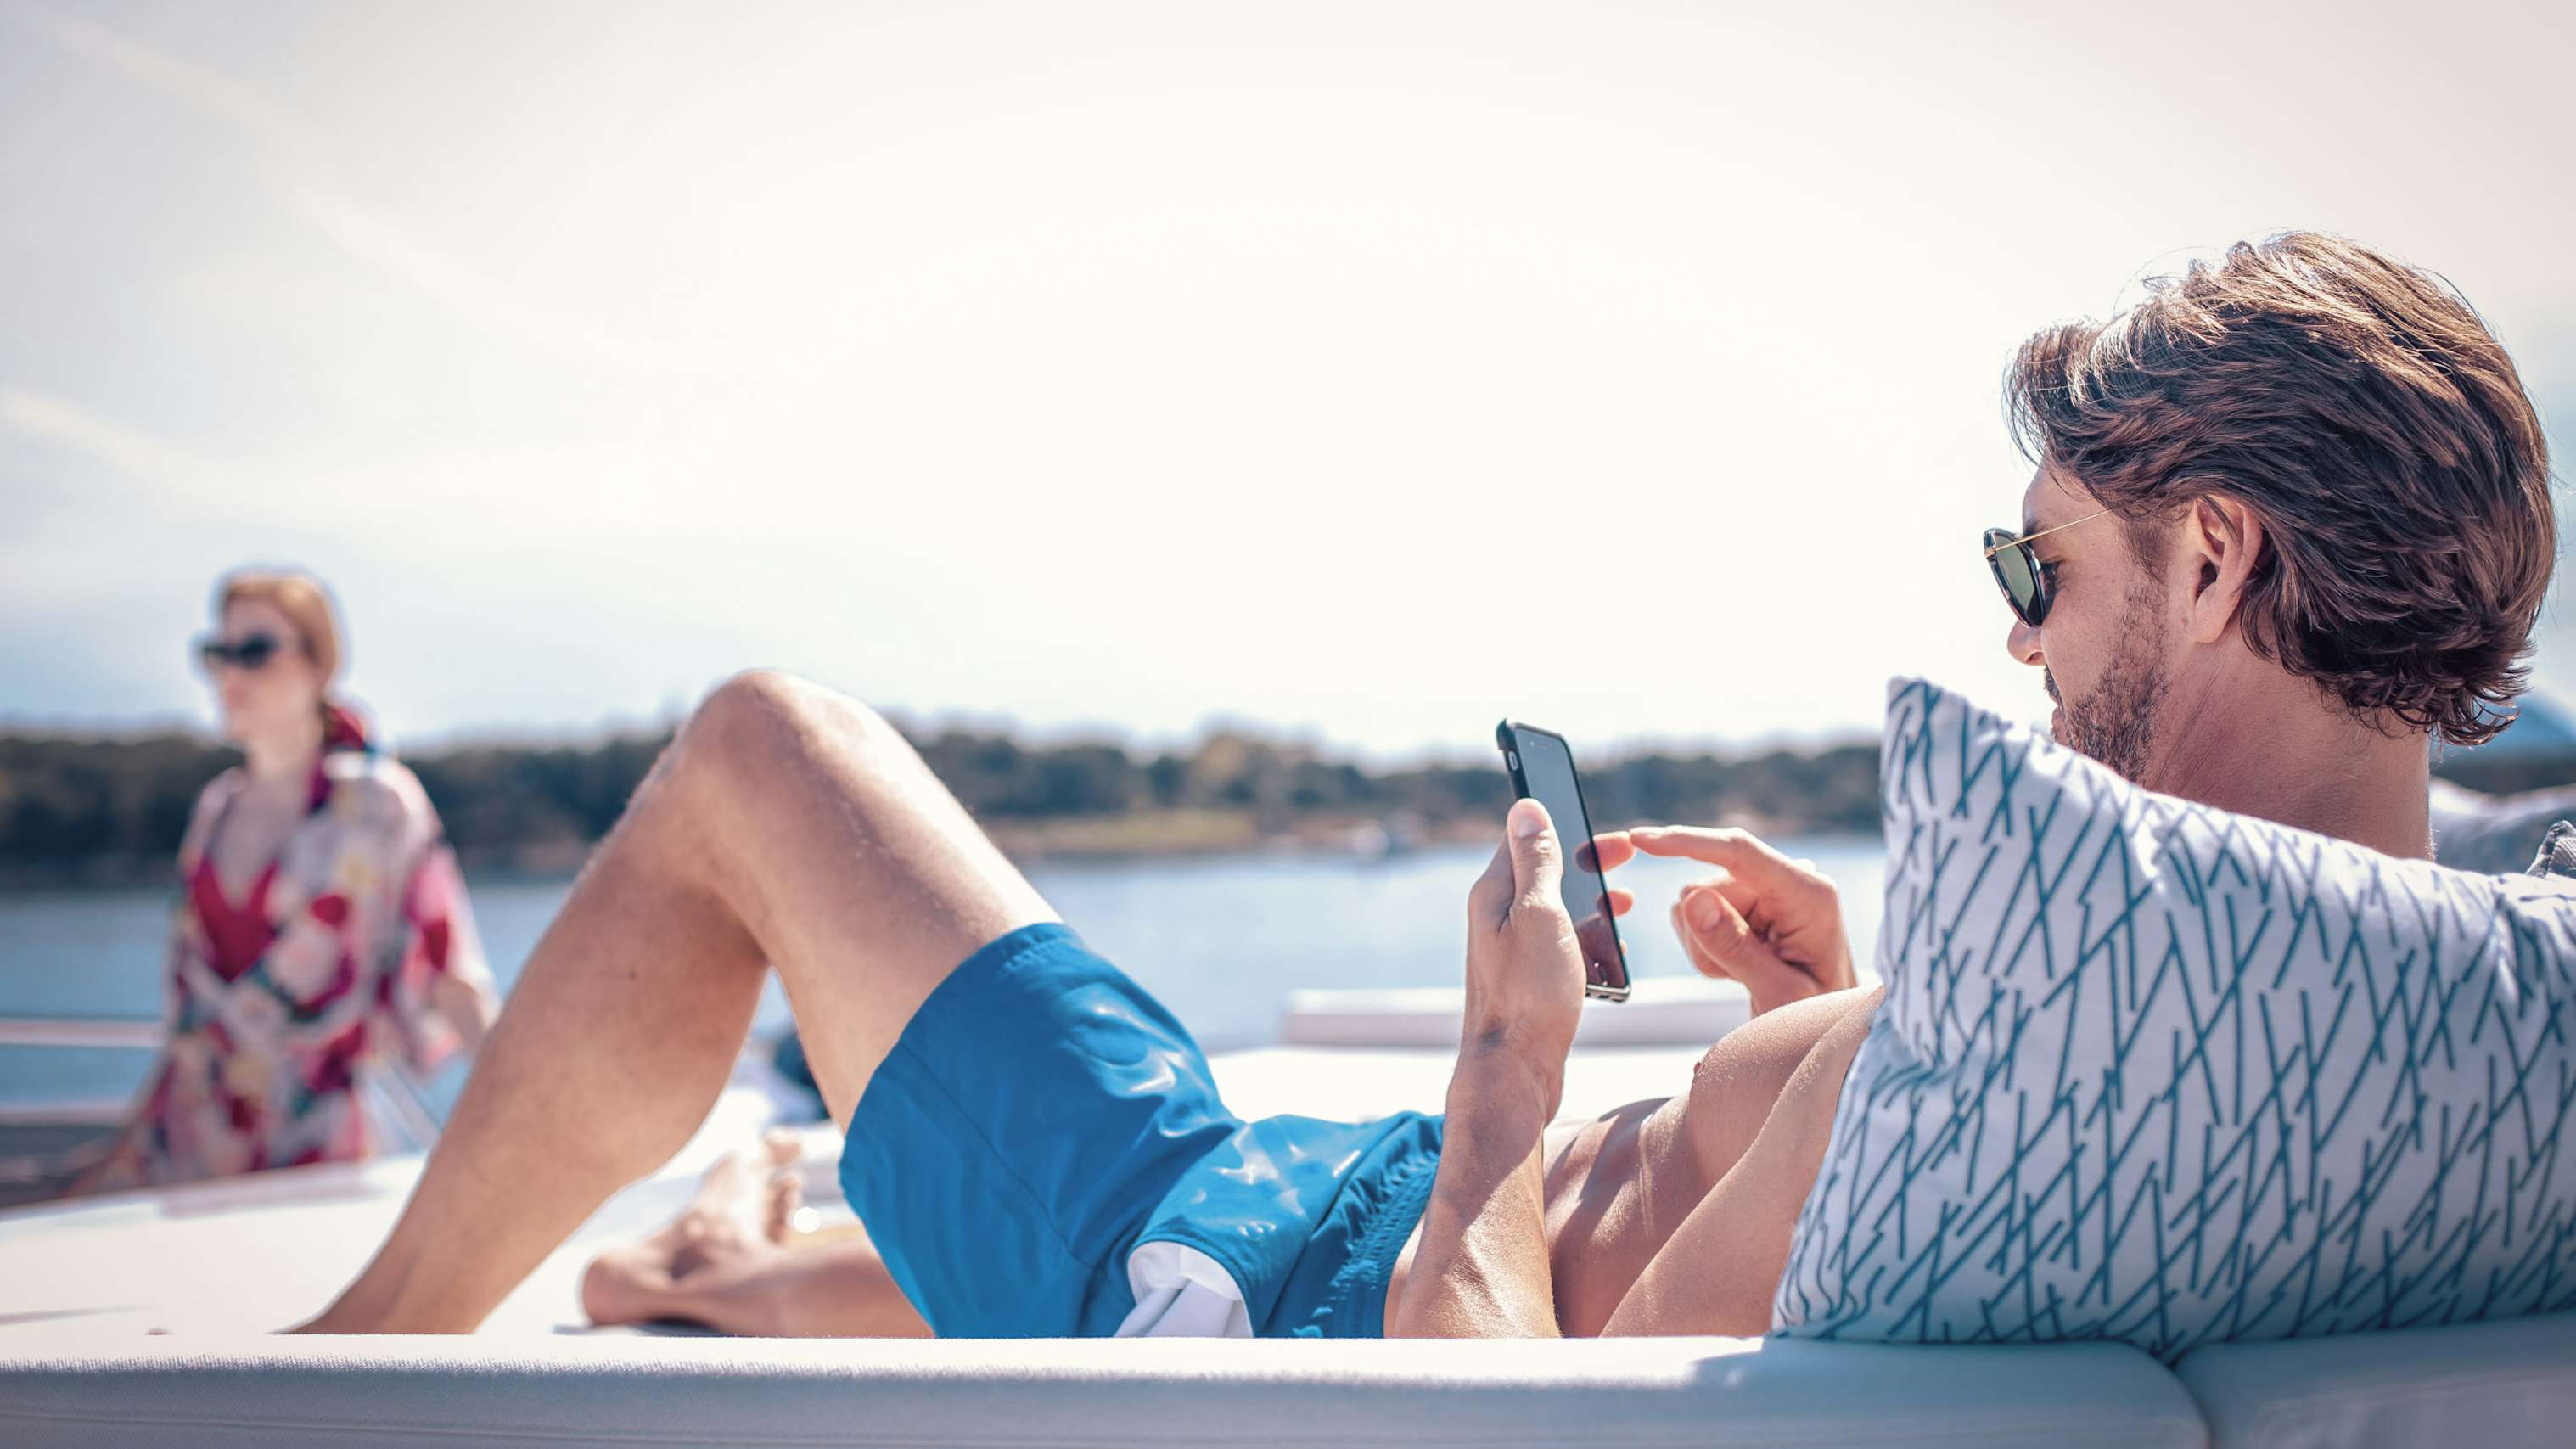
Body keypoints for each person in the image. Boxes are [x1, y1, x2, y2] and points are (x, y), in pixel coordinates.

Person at [303, 231, 2552, 1340]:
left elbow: (1460, 1416)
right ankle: (743, 1263)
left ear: (2218, 554)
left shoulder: (2108, 1029)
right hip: (1334, 1191)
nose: (2014, 637)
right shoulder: (2321, 1021)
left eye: (2035, 565)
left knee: (758, 750)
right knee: (767, 1256)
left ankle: (348, 1370)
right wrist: (1841, 1000)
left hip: (1263, 1282)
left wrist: (1504, 1064)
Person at [66, 570, 498, 1195]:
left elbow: (450, 967)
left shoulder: (377, 804)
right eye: (216, 653)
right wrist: (115, 1155)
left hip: (312, 1144)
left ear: (319, 664)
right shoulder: (216, 809)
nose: (229, 674)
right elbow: (187, 1016)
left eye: (255, 650)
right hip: (183, 1142)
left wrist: (519, 1119)